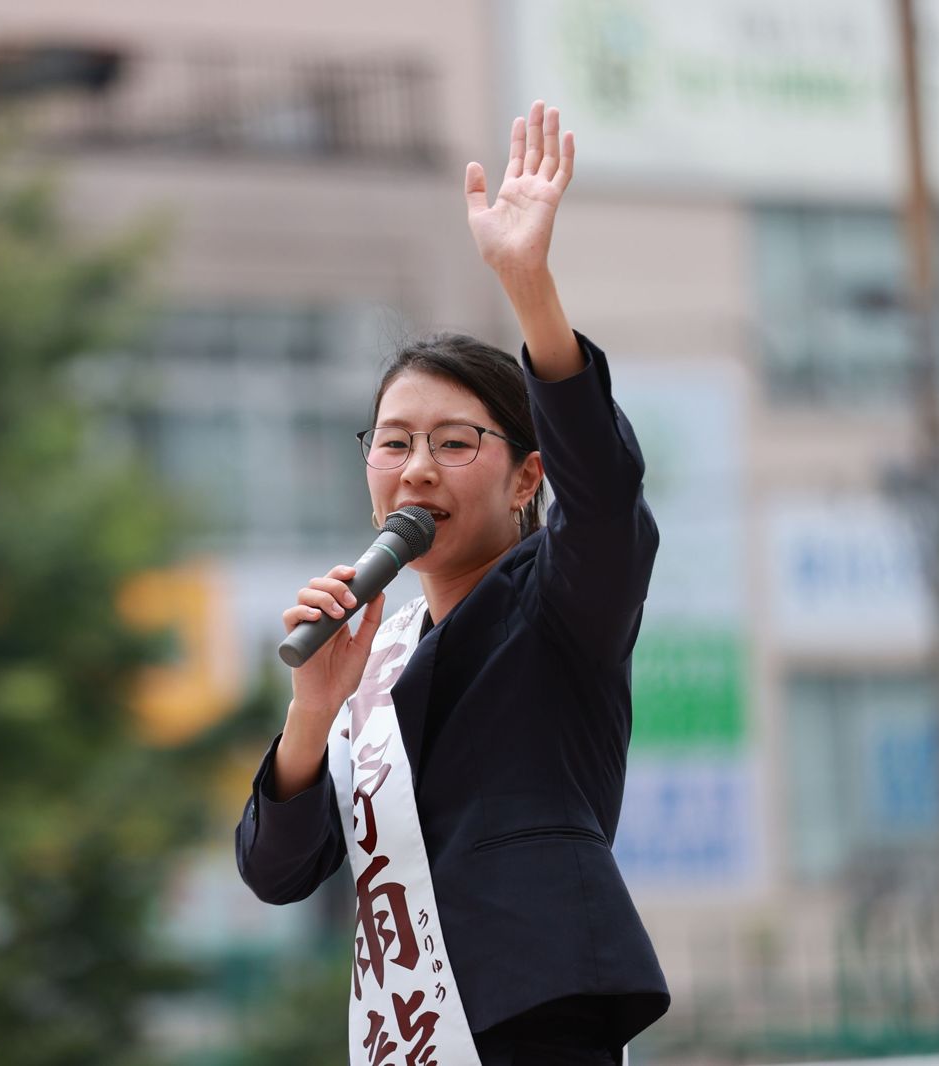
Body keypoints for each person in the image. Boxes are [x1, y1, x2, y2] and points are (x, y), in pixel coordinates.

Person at [233, 101, 669, 1065]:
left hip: (535, 1011)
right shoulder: (370, 653)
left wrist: (529, 290)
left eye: (454, 442)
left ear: (526, 477)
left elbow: (605, 498)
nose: (417, 467)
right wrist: (312, 713)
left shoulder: (561, 603)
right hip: (408, 1031)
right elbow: (277, 870)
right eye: (394, 442)